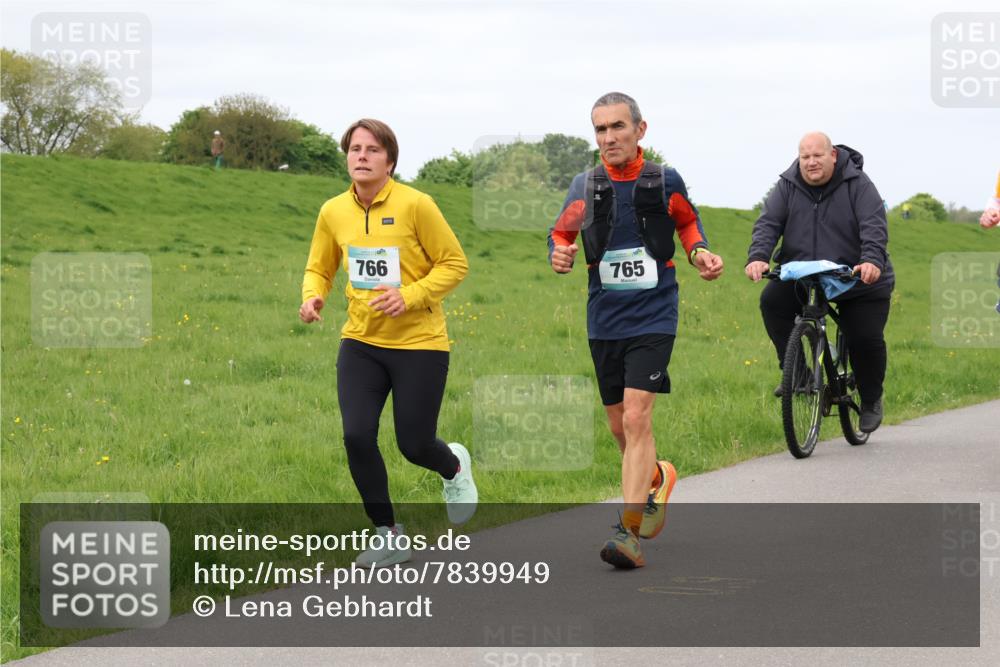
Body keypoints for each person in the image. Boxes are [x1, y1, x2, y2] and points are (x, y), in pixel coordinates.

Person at [548, 92, 724, 569]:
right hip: (604, 318)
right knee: (617, 424)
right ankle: (656, 477)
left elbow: (688, 224)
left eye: (618, 127)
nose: (609, 137)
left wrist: (700, 253)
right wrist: (559, 253)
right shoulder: (585, 185)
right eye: (600, 129)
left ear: (640, 130)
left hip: (654, 314)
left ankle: (627, 533)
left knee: (636, 416)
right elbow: (561, 233)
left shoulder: (665, 180)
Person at [299, 118, 476, 568]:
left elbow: (454, 263)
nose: (361, 156)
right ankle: (388, 534)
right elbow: (319, 266)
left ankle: (453, 466)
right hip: (361, 342)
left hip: (420, 343)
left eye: (372, 149)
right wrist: (313, 295)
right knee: (356, 436)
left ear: (390, 161)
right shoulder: (333, 211)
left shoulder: (417, 205)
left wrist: (409, 296)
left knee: (414, 445)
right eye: (355, 149)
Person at [745, 132, 894, 433]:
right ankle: (798, 375)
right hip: (805, 273)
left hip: (856, 276)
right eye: (805, 157)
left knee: (863, 336)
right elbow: (769, 223)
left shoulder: (858, 184)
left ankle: (870, 400)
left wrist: (871, 261)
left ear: (833, 155)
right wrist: (758, 256)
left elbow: (873, 225)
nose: (811, 162)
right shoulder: (787, 185)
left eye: (817, 156)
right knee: (772, 303)